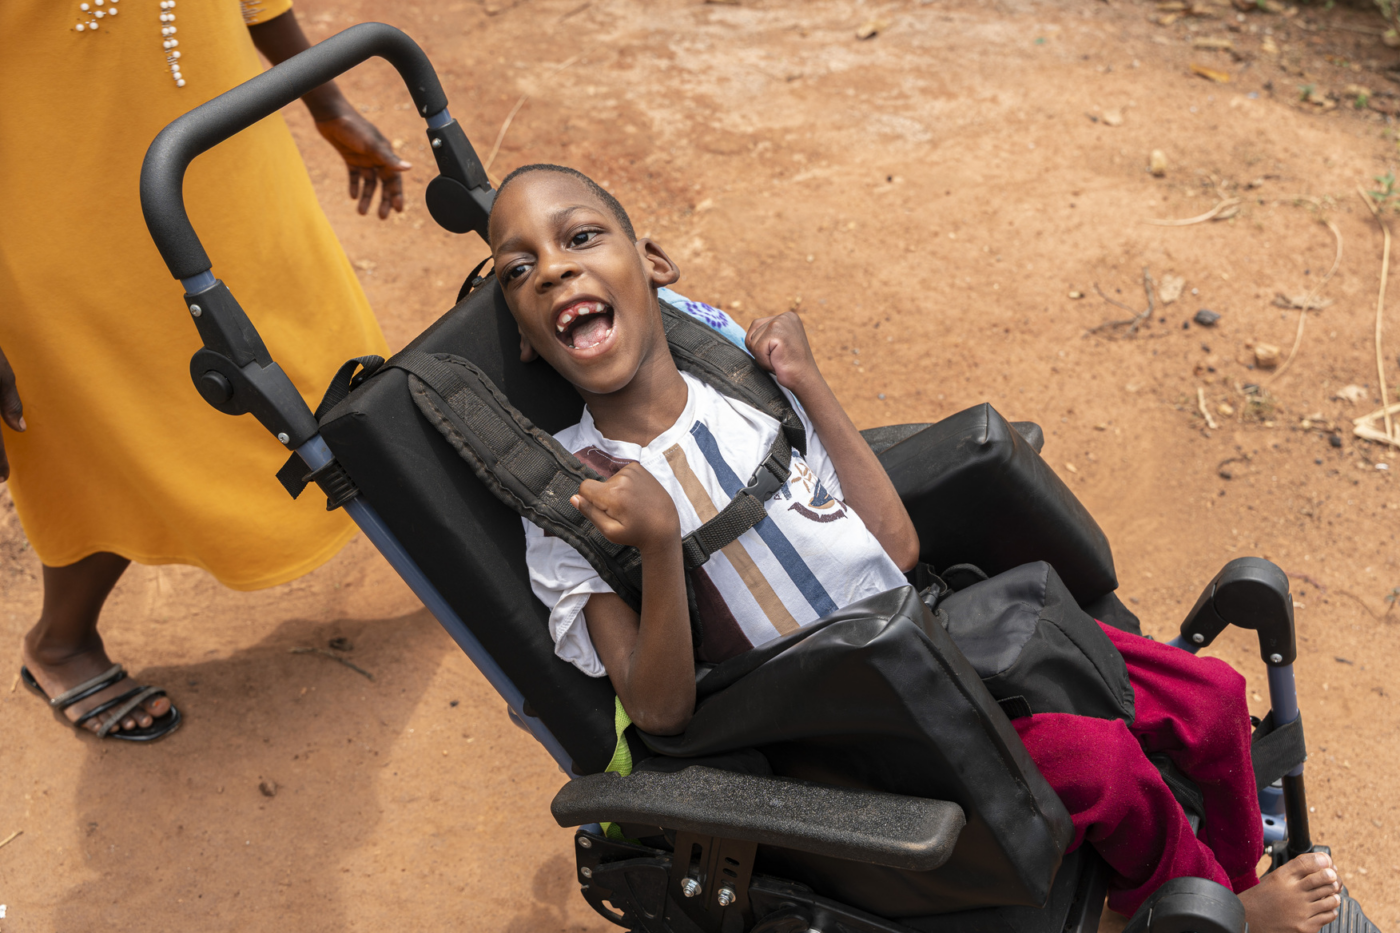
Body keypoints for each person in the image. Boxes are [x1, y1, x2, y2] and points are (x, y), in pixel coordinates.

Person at [486, 163, 1344, 933]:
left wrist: (809, 386)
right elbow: (661, 709)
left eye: (581, 235)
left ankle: (1223, 887)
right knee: (1102, 765)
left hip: (934, 631)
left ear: (655, 266)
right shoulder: (568, 500)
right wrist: (663, 545)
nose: (554, 266)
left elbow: (893, 546)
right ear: (526, 335)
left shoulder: (739, 389)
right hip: (863, 735)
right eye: (519, 269)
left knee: (1209, 693)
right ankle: (1219, 917)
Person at [0, 0, 403, 740]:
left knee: (324, 355)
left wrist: (326, 99)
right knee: (113, 424)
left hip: (224, 160)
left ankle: (442, 545)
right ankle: (60, 642)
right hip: (53, 202)